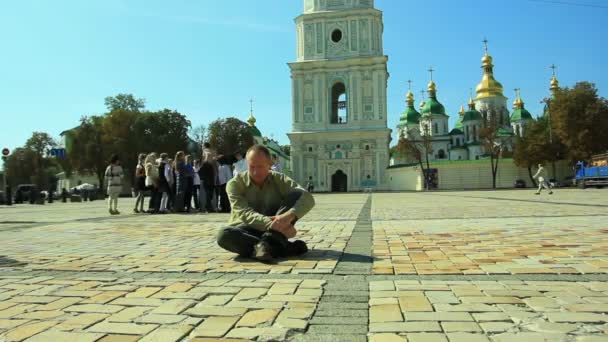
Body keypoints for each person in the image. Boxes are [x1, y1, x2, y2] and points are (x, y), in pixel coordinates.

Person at [216, 145, 315, 263]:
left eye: (260, 166)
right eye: (252, 167)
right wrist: (272, 224)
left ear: (269, 164)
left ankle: (264, 247)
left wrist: (289, 216)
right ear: (247, 164)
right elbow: (243, 212)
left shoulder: (280, 180)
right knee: (223, 235)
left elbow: (307, 197)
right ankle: (282, 248)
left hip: (275, 229)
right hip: (247, 229)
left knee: (296, 195)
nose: (256, 171)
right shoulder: (235, 184)